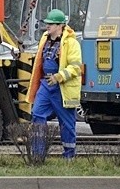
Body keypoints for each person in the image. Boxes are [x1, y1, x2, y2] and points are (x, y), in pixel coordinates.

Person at [28, 9, 82, 159]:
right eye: (47, 24)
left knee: (66, 123)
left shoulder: (71, 43)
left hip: (62, 88)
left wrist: (59, 77)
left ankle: (69, 156)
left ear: (60, 26)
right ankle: (38, 154)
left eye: (51, 24)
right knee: (37, 114)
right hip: (46, 84)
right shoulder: (45, 40)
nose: (47, 26)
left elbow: (76, 67)